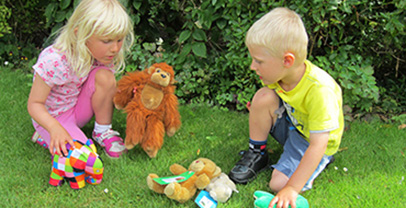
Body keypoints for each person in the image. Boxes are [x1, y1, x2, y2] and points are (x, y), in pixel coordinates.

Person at [228, 7, 344, 207]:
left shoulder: (319, 90)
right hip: (295, 125)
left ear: (287, 61)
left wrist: (292, 188)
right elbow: (272, 101)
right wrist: (258, 111)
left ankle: (321, 161)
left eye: (259, 61)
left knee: (279, 183)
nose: (252, 67)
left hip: (312, 141)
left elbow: (318, 143)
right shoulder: (279, 76)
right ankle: (257, 153)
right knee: (262, 97)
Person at [27, 0, 134, 159]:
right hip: (54, 118)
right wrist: (54, 127)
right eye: (107, 41)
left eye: (119, 40)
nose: (115, 48)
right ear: (79, 34)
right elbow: (34, 104)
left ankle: (102, 131)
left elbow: (101, 88)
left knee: (105, 76)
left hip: (77, 109)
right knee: (83, 159)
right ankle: (44, 134)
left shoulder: (100, 54)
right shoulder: (54, 62)